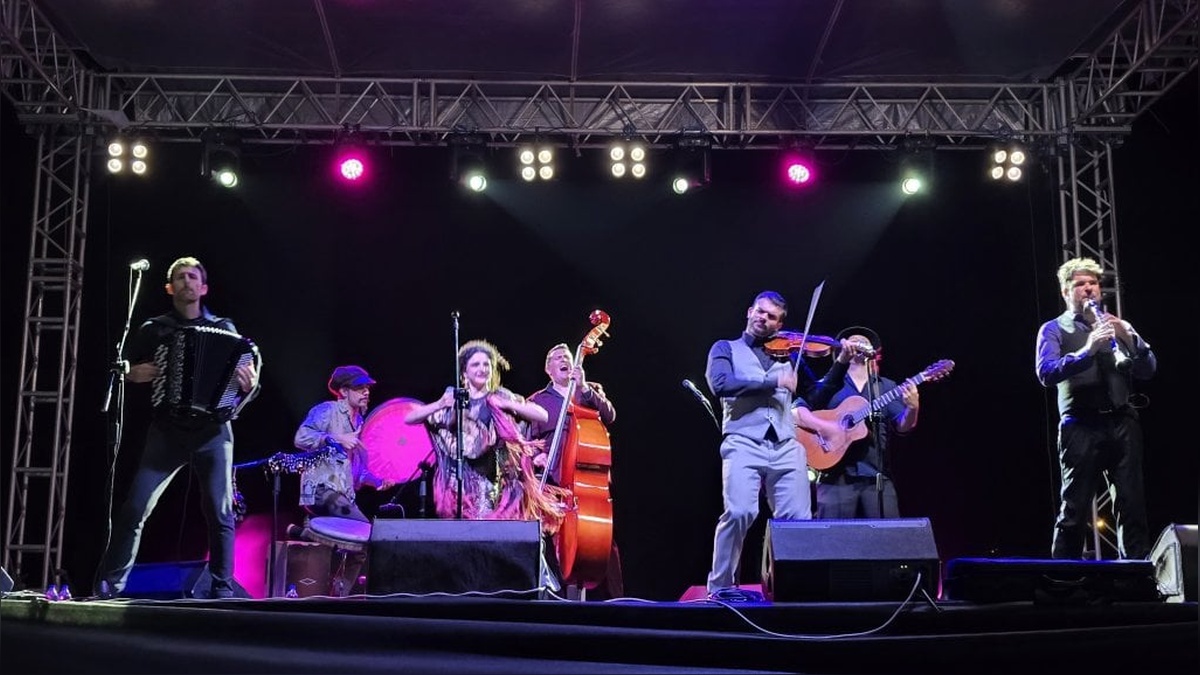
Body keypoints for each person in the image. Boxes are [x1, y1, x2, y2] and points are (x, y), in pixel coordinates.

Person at [95, 256, 260, 599]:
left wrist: (249, 383)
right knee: (135, 507)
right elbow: (123, 367)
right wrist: (131, 373)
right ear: (169, 288)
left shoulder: (225, 329)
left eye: (193, 277)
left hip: (212, 432)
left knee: (220, 510)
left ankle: (222, 586)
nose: (187, 282)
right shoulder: (153, 329)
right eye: (180, 278)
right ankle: (111, 586)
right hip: (167, 431)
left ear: (203, 288)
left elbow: (245, 379)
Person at [703, 290, 848, 598]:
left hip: (785, 444)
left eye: (771, 316)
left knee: (799, 521)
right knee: (740, 511)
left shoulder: (790, 355)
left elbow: (817, 396)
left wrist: (842, 362)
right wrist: (773, 383)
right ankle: (720, 588)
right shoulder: (725, 348)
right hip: (743, 441)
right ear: (749, 311)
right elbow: (721, 385)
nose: (763, 318)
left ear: (780, 324)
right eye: (759, 311)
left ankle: (796, 589)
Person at [1036, 257, 1156, 560]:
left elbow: (1148, 370)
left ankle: (1134, 582)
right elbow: (1046, 373)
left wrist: (1127, 337)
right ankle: (1064, 583)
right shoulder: (1053, 329)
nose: (1089, 289)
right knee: (1074, 509)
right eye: (1080, 284)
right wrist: (1087, 350)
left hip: (1122, 422)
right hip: (1080, 424)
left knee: (1132, 505)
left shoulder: (1118, 324)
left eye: (1093, 284)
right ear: (1066, 292)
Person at [403, 339, 568, 531]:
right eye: (475, 364)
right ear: (464, 372)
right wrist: (440, 404)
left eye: (486, 364)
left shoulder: (498, 396)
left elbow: (543, 415)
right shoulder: (454, 399)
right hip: (457, 487)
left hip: (490, 483)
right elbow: (409, 417)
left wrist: (509, 405)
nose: (482, 369)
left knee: (484, 533)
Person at [528, 343, 621, 599]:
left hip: (586, 486)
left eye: (568, 357)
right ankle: (551, 599)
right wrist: (538, 456)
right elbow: (526, 444)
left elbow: (610, 415)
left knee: (603, 545)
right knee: (550, 545)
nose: (564, 360)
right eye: (558, 357)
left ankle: (616, 604)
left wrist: (584, 388)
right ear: (548, 369)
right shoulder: (537, 401)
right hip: (553, 485)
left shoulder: (589, 392)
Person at [289, 365, 391, 595]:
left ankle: (337, 591)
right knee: (366, 531)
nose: (366, 392)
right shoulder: (328, 410)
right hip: (320, 490)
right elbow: (301, 437)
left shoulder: (360, 424)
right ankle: (312, 535)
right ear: (343, 392)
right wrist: (336, 438)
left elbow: (355, 472)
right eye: (359, 388)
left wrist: (376, 481)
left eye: (367, 388)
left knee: (362, 546)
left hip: (343, 495)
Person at [806, 326, 919, 519]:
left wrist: (913, 408)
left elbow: (903, 426)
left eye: (864, 341)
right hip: (834, 477)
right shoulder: (829, 384)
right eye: (854, 340)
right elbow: (808, 410)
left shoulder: (886, 386)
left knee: (888, 540)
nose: (859, 342)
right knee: (833, 541)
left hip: (876, 476)